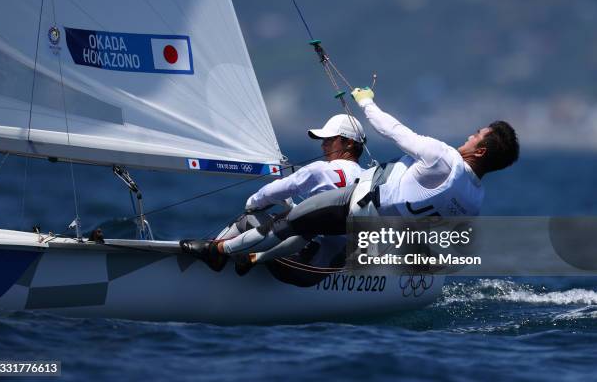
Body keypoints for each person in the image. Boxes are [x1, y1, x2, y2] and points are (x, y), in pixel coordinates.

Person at [213, 87, 520, 265]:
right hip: (376, 236)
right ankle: (256, 260)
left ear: (479, 152)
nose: (469, 135)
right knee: (304, 229)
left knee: (292, 223)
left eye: (476, 135)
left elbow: (395, 131)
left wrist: (366, 102)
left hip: (355, 205)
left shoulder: (444, 157)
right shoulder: (475, 200)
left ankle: (218, 250)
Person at [184, 114, 366, 273]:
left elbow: (270, 193)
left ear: (348, 143)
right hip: (332, 267)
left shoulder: (321, 170)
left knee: (249, 219)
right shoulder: (368, 178)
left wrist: (252, 204)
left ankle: (213, 254)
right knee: (300, 223)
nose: (323, 146)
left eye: (328, 140)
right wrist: (293, 207)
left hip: (300, 264)